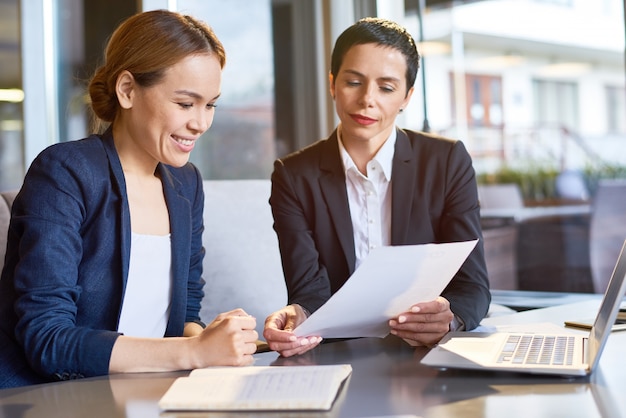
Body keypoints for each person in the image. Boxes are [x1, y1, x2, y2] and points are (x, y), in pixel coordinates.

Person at [0, 9, 258, 388]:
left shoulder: (186, 184)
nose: (201, 123)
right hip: (59, 397)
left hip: (152, 390)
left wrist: (213, 338)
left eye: (210, 105)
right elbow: (48, 340)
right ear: (127, 90)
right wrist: (193, 352)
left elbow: (186, 309)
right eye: (185, 104)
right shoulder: (64, 171)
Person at [263, 17, 491, 357]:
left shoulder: (446, 162)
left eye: (386, 88)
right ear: (332, 84)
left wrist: (449, 317)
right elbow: (309, 291)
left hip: (426, 353)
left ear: (407, 96)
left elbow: (472, 286)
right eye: (353, 82)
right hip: (339, 355)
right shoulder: (294, 176)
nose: (367, 99)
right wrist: (301, 315)